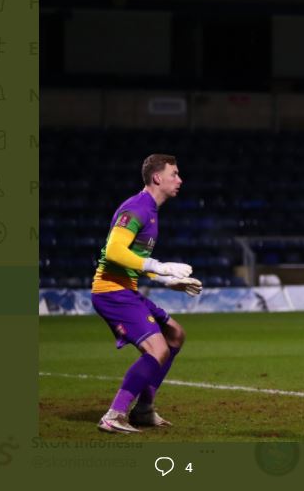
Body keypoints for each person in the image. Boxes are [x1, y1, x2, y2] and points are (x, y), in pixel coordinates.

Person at [92, 154, 203, 433]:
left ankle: (143, 409)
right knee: (157, 348)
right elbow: (115, 251)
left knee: (175, 334)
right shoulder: (138, 207)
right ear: (157, 177)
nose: (180, 179)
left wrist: (166, 280)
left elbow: (134, 259)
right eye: (174, 174)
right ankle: (114, 415)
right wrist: (159, 266)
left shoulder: (151, 210)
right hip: (111, 291)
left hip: (125, 288)